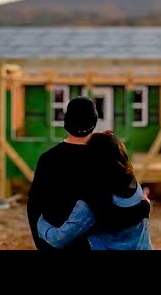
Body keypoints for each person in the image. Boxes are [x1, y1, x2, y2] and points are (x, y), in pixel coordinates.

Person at [27, 97, 150, 251]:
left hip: (54, 240)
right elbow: (110, 214)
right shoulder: (104, 158)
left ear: (66, 123)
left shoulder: (48, 159)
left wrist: (42, 245)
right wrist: (143, 208)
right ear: (95, 122)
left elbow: (34, 205)